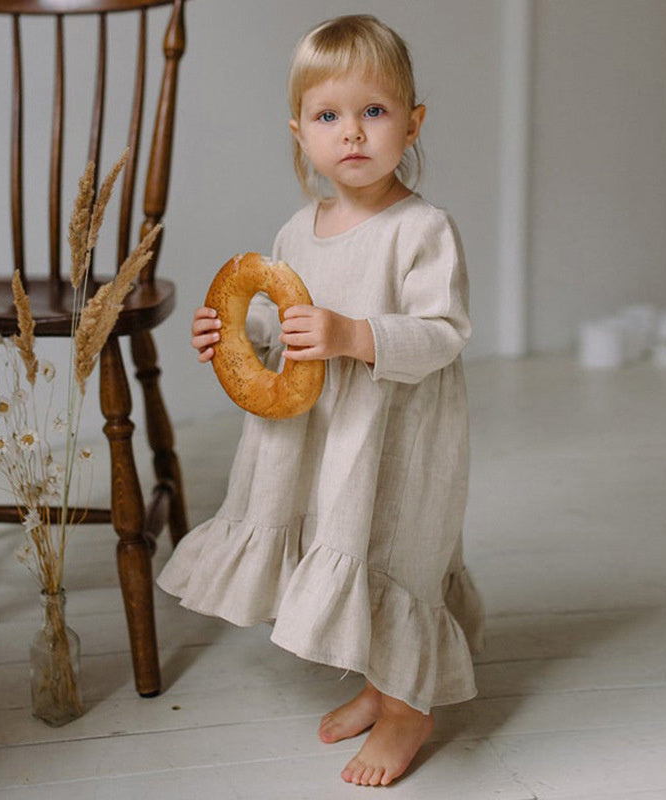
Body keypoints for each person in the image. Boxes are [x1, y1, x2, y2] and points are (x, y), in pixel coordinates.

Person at [157, 14, 485, 787]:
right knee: (349, 542)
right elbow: (284, 327)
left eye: (374, 110)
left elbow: (443, 333)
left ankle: (408, 708)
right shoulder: (295, 234)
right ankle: (378, 682)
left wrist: (355, 334)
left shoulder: (422, 230)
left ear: (413, 122)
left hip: (396, 433)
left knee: (397, 551)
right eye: (328, 115)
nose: (353, 132)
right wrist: (238, 335)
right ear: (300, 133)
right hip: (325, 438)